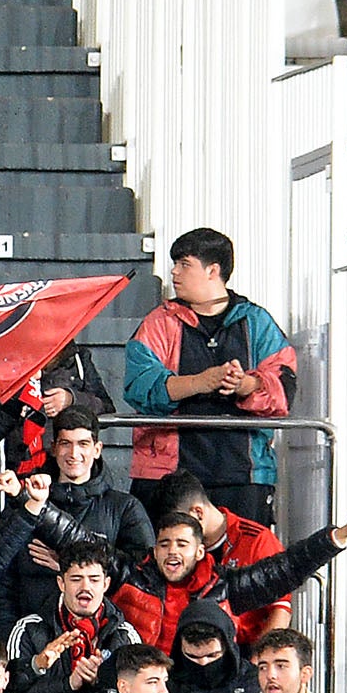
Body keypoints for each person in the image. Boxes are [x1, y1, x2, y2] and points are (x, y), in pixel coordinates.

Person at [124, 226, 299, 528]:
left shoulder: (256, 321)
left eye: (184, 264)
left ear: (213, 270)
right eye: (174, 264)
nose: (174, 273)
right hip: (166, 478)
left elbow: (284, 387)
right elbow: (139, 388)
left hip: (244, 476)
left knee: (248, 568)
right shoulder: (158, 322)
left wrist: (247, 385)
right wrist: (201, 382)